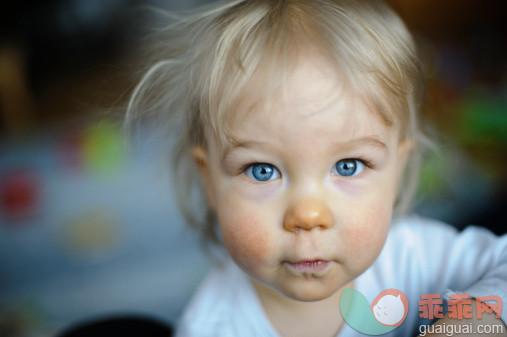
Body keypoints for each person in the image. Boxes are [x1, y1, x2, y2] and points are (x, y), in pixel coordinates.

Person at [125, 0, 507, 336]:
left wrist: (475, 319)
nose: (308, 215)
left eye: (349, 165)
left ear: (397, 170)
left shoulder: (412, 259)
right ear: (209, 180)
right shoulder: (211, 326)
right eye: (262, 170)